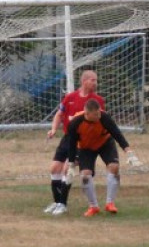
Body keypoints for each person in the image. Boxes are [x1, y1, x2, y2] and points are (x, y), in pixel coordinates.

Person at [63, 98, 140, 217]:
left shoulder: (104, 117)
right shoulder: (75, 123)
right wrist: (71, 166)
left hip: (105, 143)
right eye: (95, 114)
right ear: (87, 114)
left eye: (99, 112)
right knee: (85, 175)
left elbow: (117, 134)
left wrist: (129, 153)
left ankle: (110, 203)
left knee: (114, 167)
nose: (99, 116)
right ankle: (93, 206)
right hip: (86, 148)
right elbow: (72, 145)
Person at [44, 69, 104, 216]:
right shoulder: (70, 97)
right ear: (84, 81)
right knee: (54, 168)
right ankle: (57, 202)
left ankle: (63, 204)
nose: (95, 83)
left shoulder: (97, 100)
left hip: (81, 141)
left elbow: (100, 121)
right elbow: (59, 114)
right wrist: (53, 129)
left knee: (67, 169)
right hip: (67, 138)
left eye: (96, 80)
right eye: (93, 80)